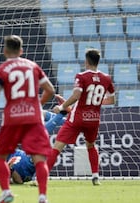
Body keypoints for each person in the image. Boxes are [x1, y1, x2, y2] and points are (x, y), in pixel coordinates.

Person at [0, 35, 55, 203]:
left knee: (1, 156)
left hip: (12, 118)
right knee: (39, 158)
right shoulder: (33, 67)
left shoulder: (2, 69)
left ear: (5, 51)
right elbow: (50, 90)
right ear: (21, 50)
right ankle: (43, 197)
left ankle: (6, 193)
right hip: (33, 118)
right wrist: (38, 103)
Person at [47, 48, 115, 186]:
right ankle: (95, 176)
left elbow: (76, 96)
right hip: (94, 118)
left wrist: (61, 107)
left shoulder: (81, 76)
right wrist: (92, 104)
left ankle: (43, 176)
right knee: (91, 145)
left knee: (58, 145)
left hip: (77, 117)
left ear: (86, 61)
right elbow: (111, 100)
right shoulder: (106, 78)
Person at [0, 101, 69, 186]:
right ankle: (63, 116)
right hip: (33, 160)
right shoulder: (19, 174)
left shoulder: (7, 155)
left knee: (40, 117)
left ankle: (66, 119)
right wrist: (10, 170)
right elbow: (19, 181)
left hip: (25, 149)